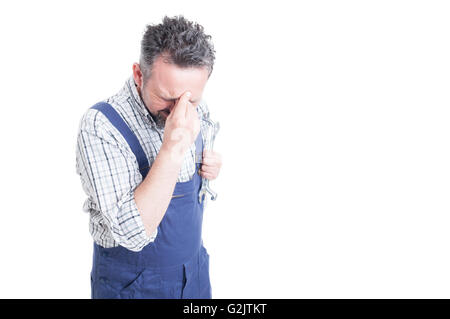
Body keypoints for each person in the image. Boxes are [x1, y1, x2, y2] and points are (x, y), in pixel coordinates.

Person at [75, 15, 222, 299]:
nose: (179, 112)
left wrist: (207, 166)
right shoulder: (101, 125)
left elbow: (201, 142)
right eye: (167, 97)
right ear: (139, 74)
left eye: (190, 101)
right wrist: (173, 147)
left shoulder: (193, 106)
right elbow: (133, 234)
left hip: (194, 274)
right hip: (133, 285)